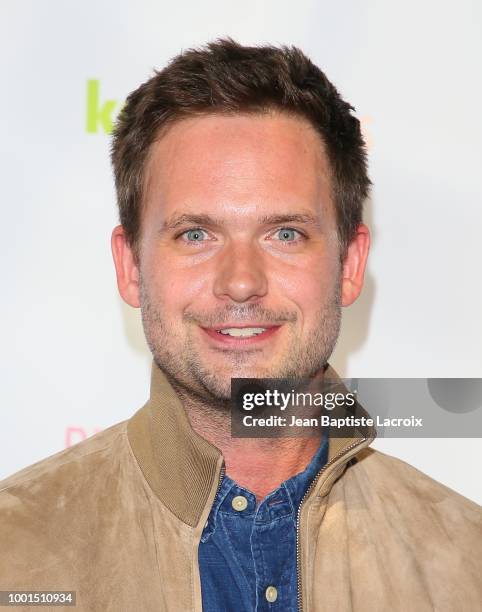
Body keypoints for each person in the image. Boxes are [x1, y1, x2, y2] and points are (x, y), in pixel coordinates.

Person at [0, 38, 480, 612]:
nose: (241, 281)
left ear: (350, 266)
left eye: (285, 234)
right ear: (130, 266)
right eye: (196, 234)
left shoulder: (466, 563)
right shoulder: (16, 553)